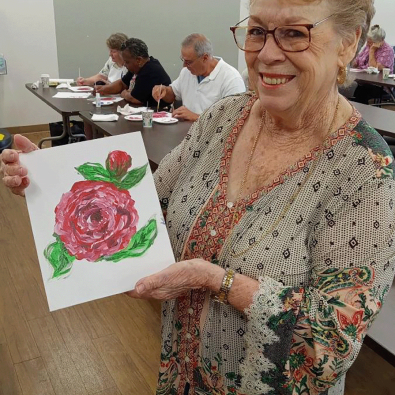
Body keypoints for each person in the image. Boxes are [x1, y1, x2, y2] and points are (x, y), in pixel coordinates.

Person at [1, 1, 395, 395]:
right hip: (181, 374)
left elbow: (330, 345)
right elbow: (143, 204)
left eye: (295, 33)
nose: (268, 54)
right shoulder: (224, 118)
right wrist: (50, 183)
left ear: (348, 43)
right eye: (257, 31)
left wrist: (215, 280)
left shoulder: (365, 169)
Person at [152, 34, 245, 121]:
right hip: (186, 133)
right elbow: (173, 94)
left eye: (189, 62)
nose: (184, 65)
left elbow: (235, 119)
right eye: (183, 60)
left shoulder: (231, 78)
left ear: (205, 58)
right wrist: (164, 91)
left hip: (212, 136)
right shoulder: (187, 72)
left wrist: (197, 117)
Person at [95, 37, 171, 108]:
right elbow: (122, 84)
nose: (124, 65)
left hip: (156, 113)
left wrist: (123, 93)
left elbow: (135, 99)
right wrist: (103, 89)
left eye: (127, 62)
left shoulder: (150, 70)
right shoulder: (137, 67)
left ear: (139, 60)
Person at [353, 25, 394, 104]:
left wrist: (372, 51)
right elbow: (357, 62)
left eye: (370, 41)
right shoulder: (368, 46)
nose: (368, 43)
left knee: (362, 93)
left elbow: (373, 69)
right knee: (351, 88)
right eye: (368, 40)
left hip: (379, 86)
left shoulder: (388, 50)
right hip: (365, 82)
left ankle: (361, 113)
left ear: (380, 41)